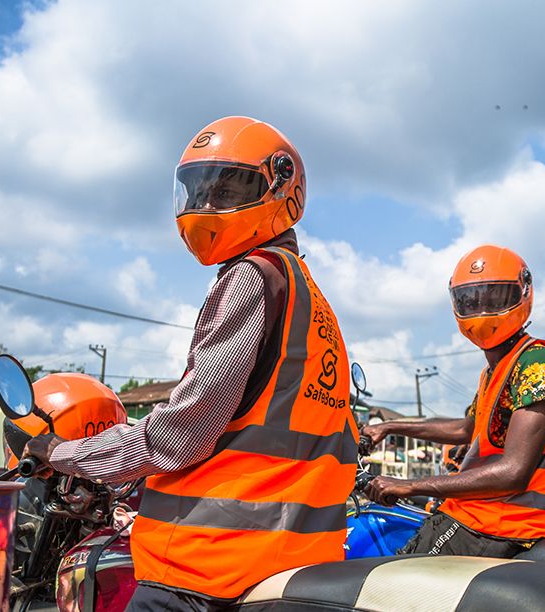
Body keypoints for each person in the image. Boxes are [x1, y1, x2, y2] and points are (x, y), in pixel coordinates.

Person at [21, 116, 359, 608]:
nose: (205, 206)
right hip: (293, 561)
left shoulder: (251, 279)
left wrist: (62, 453)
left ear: (282, 187)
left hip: (209, 567)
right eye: (198, 191)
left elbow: (179, 436)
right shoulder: (312, 302)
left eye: (228, 188)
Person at [362, 245, 545, 558]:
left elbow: (513, 471)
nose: (482, 309)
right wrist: (388, 427)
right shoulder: (500, 368)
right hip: (486, 519)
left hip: (507, 524)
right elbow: (467, 428)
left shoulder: (537, 362)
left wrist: (409, 485)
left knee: (385, 586)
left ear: (524, 294)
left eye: (494, 298)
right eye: (470, 300)